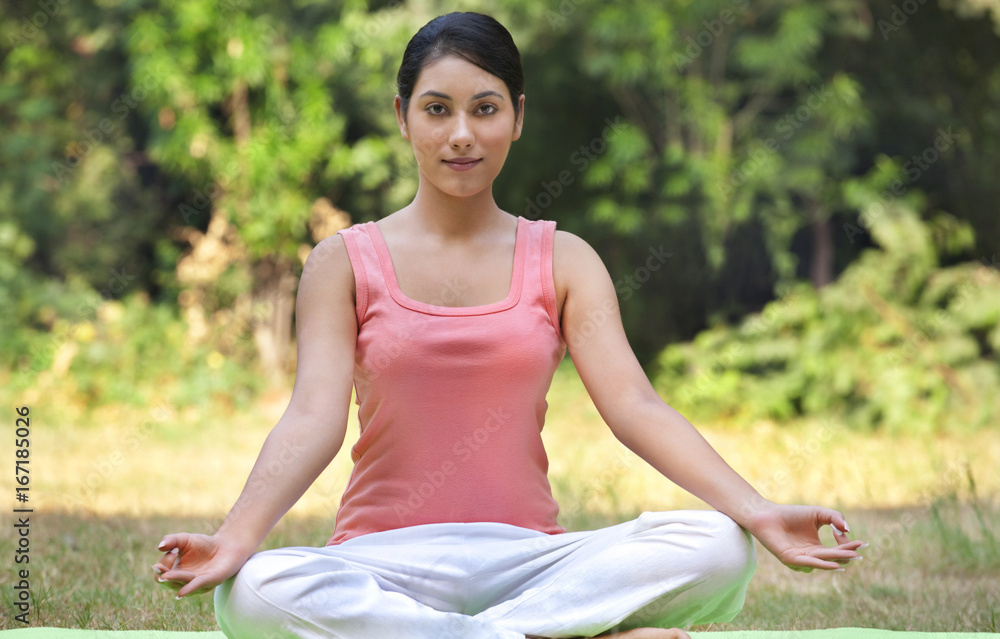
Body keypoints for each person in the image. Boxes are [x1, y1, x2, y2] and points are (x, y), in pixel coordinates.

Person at [151, 11, 866, 639]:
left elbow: (635, 406)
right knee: (254, 592)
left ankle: (482, 634)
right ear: (403, 118)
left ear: (517, 117)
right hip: (385, 560)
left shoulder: (563, 259)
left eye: (484, 108)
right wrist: (236, 535)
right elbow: (312, 417)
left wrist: (759, 509)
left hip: (533, 561)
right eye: (437, 109)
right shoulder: (342, 262)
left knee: (718, 546)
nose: (462, 134)